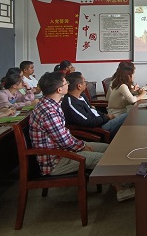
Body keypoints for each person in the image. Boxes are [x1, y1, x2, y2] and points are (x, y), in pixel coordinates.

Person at [29, 71, 134, 202]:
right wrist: (82, 146)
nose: (68, 84)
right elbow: (64, 140)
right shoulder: (49, 111)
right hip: (56, 160)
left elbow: (64, 134)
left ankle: (122, 182)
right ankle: (121, 190)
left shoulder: (50, 104)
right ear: (59, 89)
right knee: (105, 159)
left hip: (63, 150)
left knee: (109, 149)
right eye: (66, 83)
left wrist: (81, 145)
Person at [62, 72, 126, 137]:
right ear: (79, 86)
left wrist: (104, 116)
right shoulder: (71, 104)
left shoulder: (81, 95)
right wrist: (107, 118)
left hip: (101, 120)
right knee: (127, 116)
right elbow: (89, 121)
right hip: (99, 129)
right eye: (84, 81)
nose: (86, 83)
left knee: (127, 117)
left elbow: (92, 110)